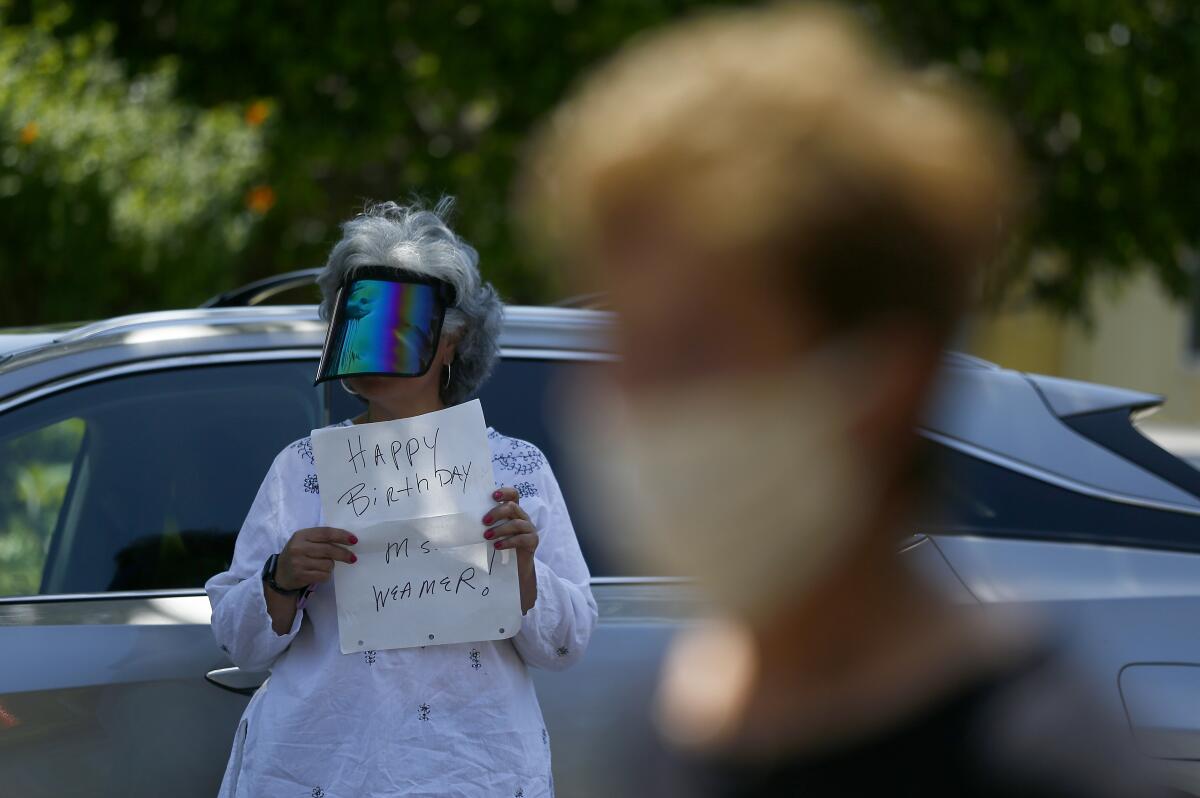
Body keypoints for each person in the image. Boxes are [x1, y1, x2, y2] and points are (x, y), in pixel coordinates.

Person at [519, 4, 1159, 796]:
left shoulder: (1044, 766)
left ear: (885, 373)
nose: (625, 400)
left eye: (692, 347)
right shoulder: (661, 733)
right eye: (625, 341)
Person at [205, 199, 596, 798]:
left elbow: (567, 644)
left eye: (399, 325)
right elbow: (241, 642)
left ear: (451, 342)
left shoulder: (517, 469)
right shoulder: (301, 468)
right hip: (319, 770)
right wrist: (280, 578)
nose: (371, 343)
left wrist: (523, 566)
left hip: (473, 771)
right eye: (355, 320)